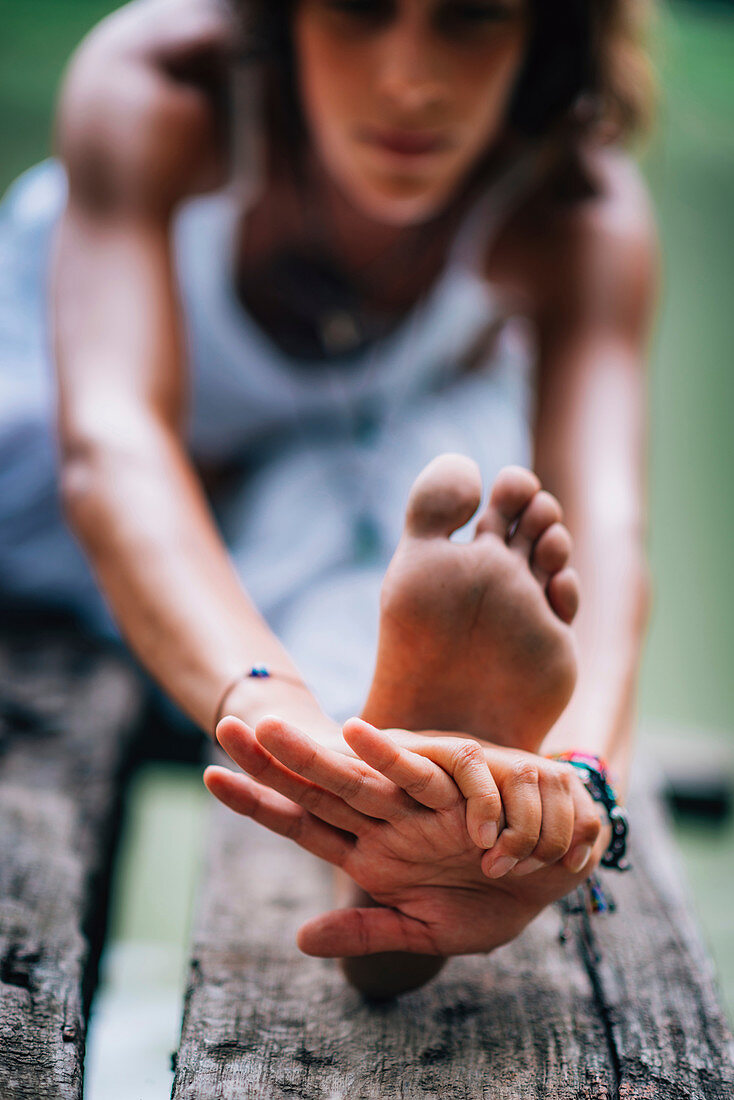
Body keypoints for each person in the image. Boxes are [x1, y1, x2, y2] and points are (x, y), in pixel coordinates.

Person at [0, 0, 657, 996]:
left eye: (470, 17)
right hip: (58, 449)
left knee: (440, 518)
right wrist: (269, 704)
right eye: (356, 9)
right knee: (377, 543)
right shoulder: (159, 85)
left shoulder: (576, 210)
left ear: (548, 31)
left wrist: (574, 786)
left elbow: (603, 522)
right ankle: (380, 780)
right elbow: (113, 442)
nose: (408, 79)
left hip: (326, 484)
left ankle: (415, 826)